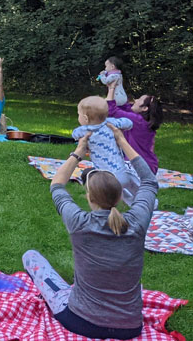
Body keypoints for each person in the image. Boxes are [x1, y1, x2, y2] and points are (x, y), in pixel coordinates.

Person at [23, 125, 157, 340]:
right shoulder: (137, 221)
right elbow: (149, 181)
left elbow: (57, 185)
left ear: (89, 197)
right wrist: (122, 142)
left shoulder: (78, 222)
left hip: (81, 321)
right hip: (130, 327)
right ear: (120, 196)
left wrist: (79, 151)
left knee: (30, 257)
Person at [72, 96, 138, 205]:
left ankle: (114, 207)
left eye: (78, 114)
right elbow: (129, 123)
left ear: (85, 118)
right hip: (121, 172)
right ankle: (143, 202)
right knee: (127, 188)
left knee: (112, 196)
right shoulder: (110, 123)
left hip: (106, 178)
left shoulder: (84, 130)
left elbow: (74, 134)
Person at [107, 81, 163, 174]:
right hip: (147, 166)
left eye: (139, 99)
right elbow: (123, 106)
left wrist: (111, 89)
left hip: (139, 167)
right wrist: (117, 87)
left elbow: (110, 110)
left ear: (144, 108)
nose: (136, 100)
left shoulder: (137, 121)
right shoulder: (140, 120)